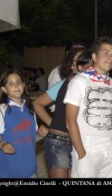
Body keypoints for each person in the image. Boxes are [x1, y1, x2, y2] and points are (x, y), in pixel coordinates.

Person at [65, 36, 112, 178]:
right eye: (105, 53)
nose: (110, 58)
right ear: (94, 56)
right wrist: (81, 154)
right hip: (88, 147)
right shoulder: (79, 81)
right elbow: (70, 121)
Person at [33, 48, 91, 178]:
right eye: (80, 60)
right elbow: (37, 103)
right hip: (60, 140)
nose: (86, 64)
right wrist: (52, 124)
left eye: (88, 60)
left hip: (80, 141)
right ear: (71, 65)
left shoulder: (91, 84)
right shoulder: (66, 83)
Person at [0, 69, 48, 178]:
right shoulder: (0, 111)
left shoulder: (30, 110)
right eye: (11, 83)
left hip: (30, 171)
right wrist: (2, 144)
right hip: (5, 172)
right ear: (4, 89)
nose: (16, 85)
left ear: (24, 85)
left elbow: (31, 139)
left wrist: (40, 134)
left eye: (19, 82)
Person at [47, 41, 86, 112]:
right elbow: (50, 102)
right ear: (68, 54)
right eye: (75, 50)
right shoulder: (58, 72)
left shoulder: (86, 78)